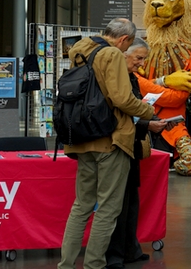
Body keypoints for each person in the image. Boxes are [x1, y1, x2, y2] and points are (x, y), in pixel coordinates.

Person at [59, 18, 156, 269]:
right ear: (124, 39)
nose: (126, 53)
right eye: (128, 48)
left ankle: (66, 265)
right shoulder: (111, 53)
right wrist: (147, 111)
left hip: (81, 139)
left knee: (81, 206)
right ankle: (94, 265)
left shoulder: (81, 48)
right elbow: (122, 98)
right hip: (109, 140)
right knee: (108, 209)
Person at [105, 38, 173, 269]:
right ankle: (114, 255)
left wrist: (151, 119)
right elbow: (119, 115)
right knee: (117, 204)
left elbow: (134, 108)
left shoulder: (132, 78)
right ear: (123, 52)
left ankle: (130, 249)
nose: (141, 64)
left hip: (132, 145)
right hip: (117, 146)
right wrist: (146, 124)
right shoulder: (114, 79)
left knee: (131, 201)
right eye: (138, 58)